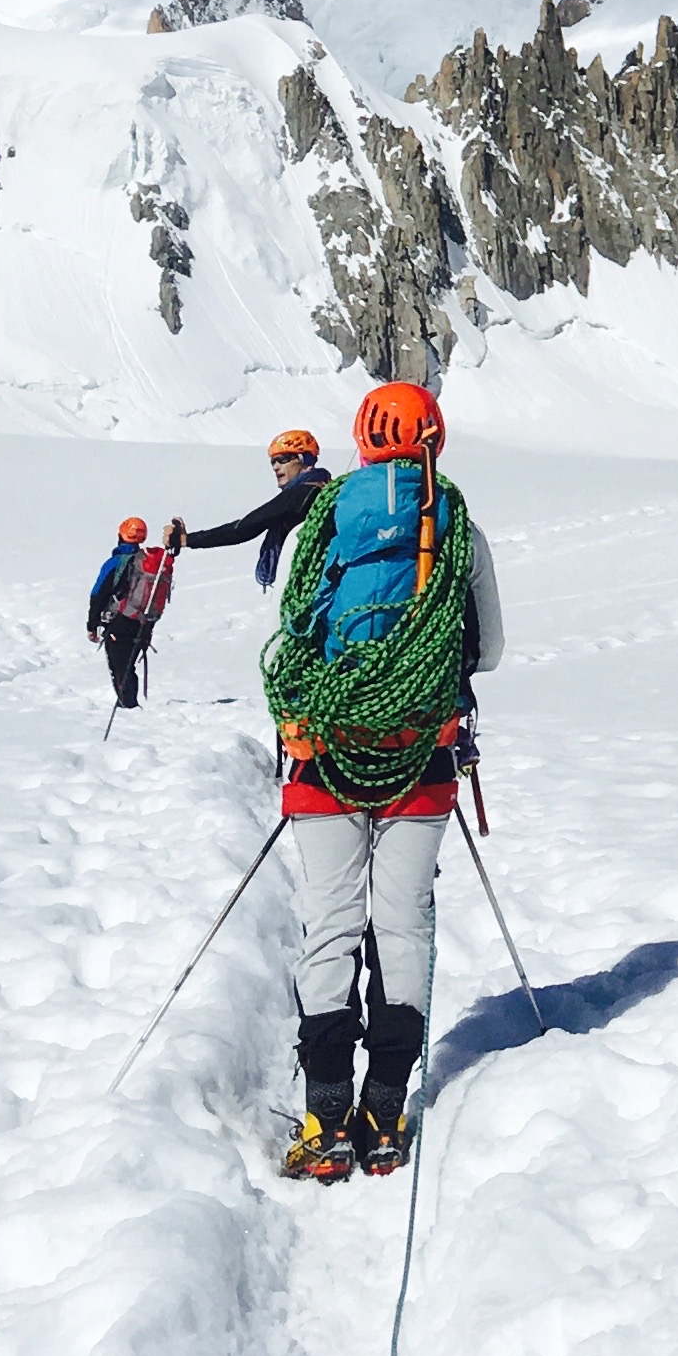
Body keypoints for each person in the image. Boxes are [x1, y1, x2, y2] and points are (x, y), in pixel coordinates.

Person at [266, 379, 503, 1182]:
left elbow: (297, 629)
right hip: (421, 761)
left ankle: (324, 1116)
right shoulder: (460, 528)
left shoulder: (328, 514)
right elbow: (490, 650)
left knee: (330, 925)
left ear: (363, 442)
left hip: (327, 755)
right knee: (402, 925)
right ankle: (386, 1110)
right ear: (435, 438)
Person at [179, 427, 330, 588]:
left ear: (304, 459)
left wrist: (187, 539)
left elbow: (244, 528)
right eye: (273, 461)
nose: (275, 467)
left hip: (303, 583)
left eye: (283, 459)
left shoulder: (301, 494)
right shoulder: (322, 489)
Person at [83, 517, 176, 710]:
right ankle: (130, 705)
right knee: (128, 666)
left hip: (119, 620)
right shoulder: (150, 563)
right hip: (144, 622)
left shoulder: (116, 563)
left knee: (119, 667)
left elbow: (98, 594)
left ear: (120, 535)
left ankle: (128, 706)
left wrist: (92, 625)